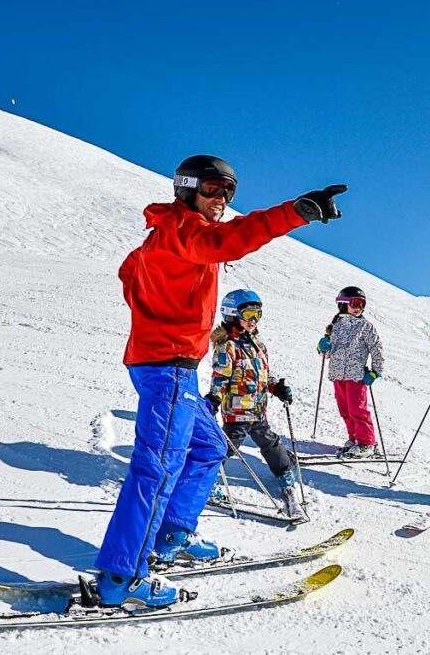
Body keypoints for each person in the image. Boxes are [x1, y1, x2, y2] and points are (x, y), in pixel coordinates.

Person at [97, 154, 345, 608]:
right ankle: (122, 576)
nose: (222, 199)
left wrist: (157, 307)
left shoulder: (163, 237)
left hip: (174, 367)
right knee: (157, 467)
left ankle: (173, 534)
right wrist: (297, 211)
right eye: (213, 189)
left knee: (209, 447)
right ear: (187, 188)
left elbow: (129, 271)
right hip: (168, 366)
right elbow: (230, 242)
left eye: (229, 192)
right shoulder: (185, 230)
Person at [209, 290, 301, 513]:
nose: (253, 321)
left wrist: (275, 387)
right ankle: (205, 480)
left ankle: (285, 474)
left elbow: (262, 374)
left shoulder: (258, 344)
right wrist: (213, 399)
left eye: (257, 315)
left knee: (270, 443)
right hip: (237, 412)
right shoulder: (227, 346)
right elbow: (220, 377)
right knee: (227, 447)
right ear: (232, 314)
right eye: (249, 314)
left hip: (258, 410)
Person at [319, 286, 386, 458]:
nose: (359, 307)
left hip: (356, 377)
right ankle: (354, 439)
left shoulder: (365, 326)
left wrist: (374, 372)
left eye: (362, 304)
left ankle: (367, 443)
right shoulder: (335, 326)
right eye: (355, 303)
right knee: (345, 410)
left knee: (358, 410)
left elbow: (377, 350)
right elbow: (327, 353)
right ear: (343, 304)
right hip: (337, 375)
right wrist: (322, 347)